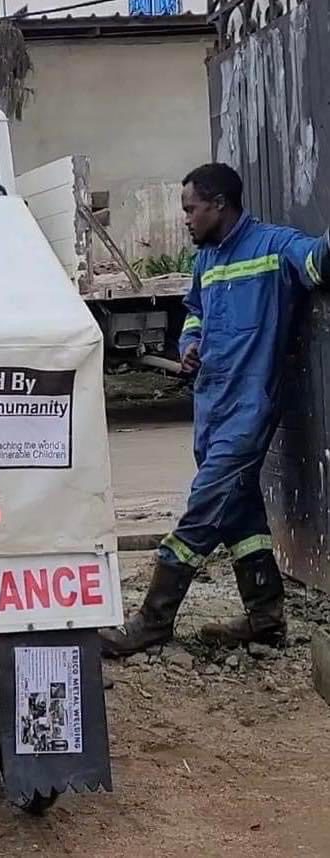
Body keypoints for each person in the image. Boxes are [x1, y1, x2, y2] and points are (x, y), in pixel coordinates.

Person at [101, 163, 330, 657]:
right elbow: (196, 311)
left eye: (190, 209)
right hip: (211, 408)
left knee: (200, 515)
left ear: (219, 205)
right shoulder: (206, 259)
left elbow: (317, 262)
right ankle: (266, 619)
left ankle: (152, 620)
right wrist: (190, 341)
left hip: (249, 411)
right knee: (240, 513)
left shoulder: (273, 247)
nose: (185, 219)